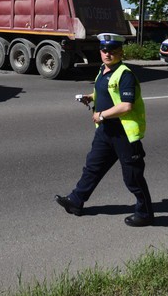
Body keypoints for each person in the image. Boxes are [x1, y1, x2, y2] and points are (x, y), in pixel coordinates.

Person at [55, 33, 154, 227]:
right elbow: (104, 91)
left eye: (112, 51)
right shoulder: (104, 69)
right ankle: (76, 201)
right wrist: (90, 97)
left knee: (133, 177)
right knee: (93, 167)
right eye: (104, 50)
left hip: (124, 134)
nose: (107, 54)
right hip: (106, 131)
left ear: (121, 52)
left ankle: (146, 213)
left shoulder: (125, 74)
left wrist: (101, 115)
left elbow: (126, 106)